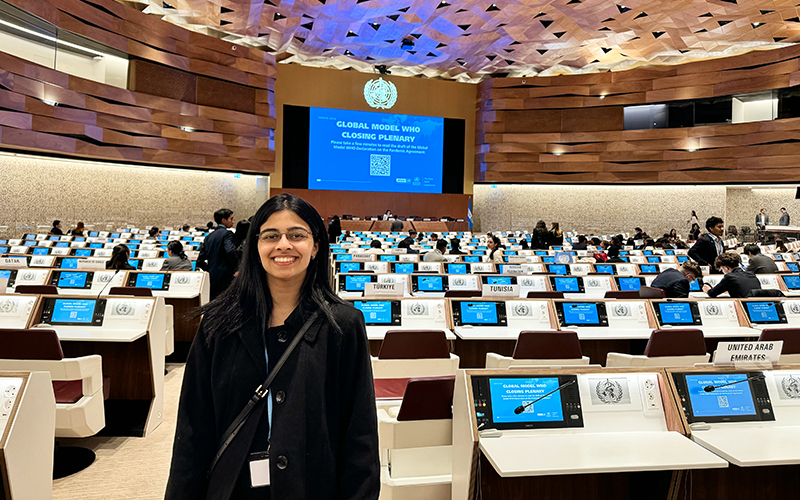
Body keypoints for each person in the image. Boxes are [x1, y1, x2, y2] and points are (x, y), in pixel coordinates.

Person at [165, 193, 379, 499]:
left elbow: (360, 436)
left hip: (313, 487)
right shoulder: (217, 324)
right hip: (233, 487)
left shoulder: (342, 325)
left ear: (316, 245)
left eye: (297, 235)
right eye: (270, 236)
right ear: (255, 245)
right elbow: (192, 431)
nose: (283, 245)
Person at [197, 208, 238, 300]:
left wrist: (210, 269)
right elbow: (230, 251)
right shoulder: (227, 234)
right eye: (231, 219)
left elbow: (200, 260)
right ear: (224, 220)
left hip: (212, 276)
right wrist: (236, 268)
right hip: (226, 276)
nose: (233, 221)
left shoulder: (208, 237)